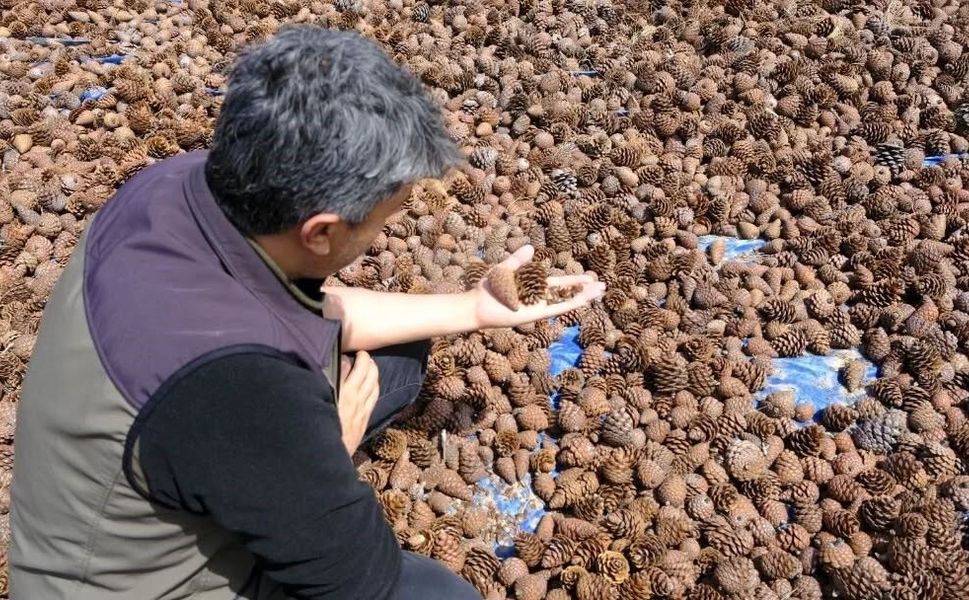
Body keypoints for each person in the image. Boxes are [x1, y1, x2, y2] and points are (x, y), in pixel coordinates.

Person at [8, 25, 604, 600]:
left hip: (141, 460)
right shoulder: (241, 389)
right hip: (137, 583)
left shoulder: (172, 185)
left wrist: (473, 307)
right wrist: (334, 447)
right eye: (387, 215)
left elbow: (319, 314)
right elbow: (359, 580)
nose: (388, 226)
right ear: (320, 231)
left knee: (399, 356)